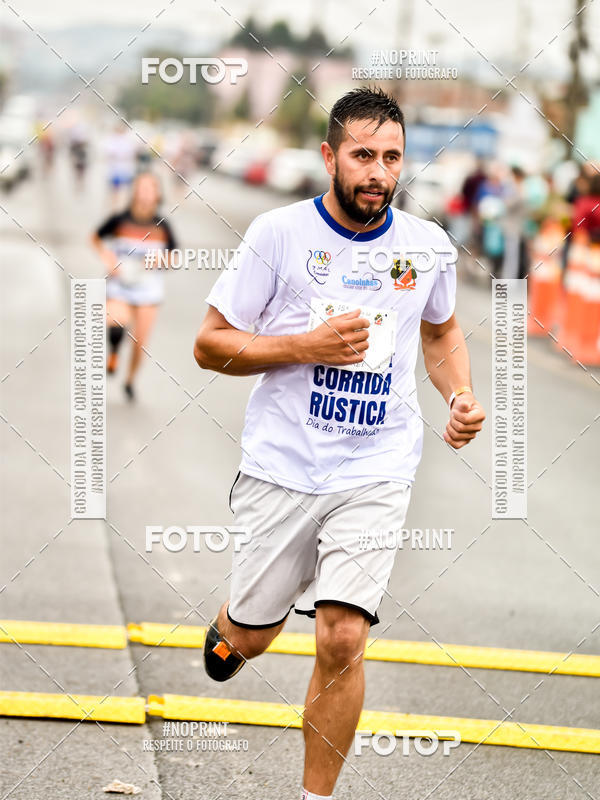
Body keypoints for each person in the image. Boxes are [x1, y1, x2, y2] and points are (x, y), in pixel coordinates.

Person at [193, 87, 485, 800]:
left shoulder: (426, 247)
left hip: (377, 467)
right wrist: (305, 346)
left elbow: (441, 331)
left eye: (391, 158)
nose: (378, 173)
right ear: (329, 157)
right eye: (362, 156)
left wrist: (459, 395)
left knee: (343, 636)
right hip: (283, 467)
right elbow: (209, 345)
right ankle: (239, 624)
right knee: (246, 641)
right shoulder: (278, 235)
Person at [91, 172, 177, 401]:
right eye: (142, 188)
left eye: (151, 189)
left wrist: (161, 260)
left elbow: (174, 257)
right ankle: (114, 352)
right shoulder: (120, 219)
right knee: (115, 321)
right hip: (120, 286)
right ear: (135, 192)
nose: (146, 193)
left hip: (149, 290)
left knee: (140, 343)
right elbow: (95, 238)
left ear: (158, 194)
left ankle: (130, 380)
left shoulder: (163, 226)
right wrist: (108, 258)